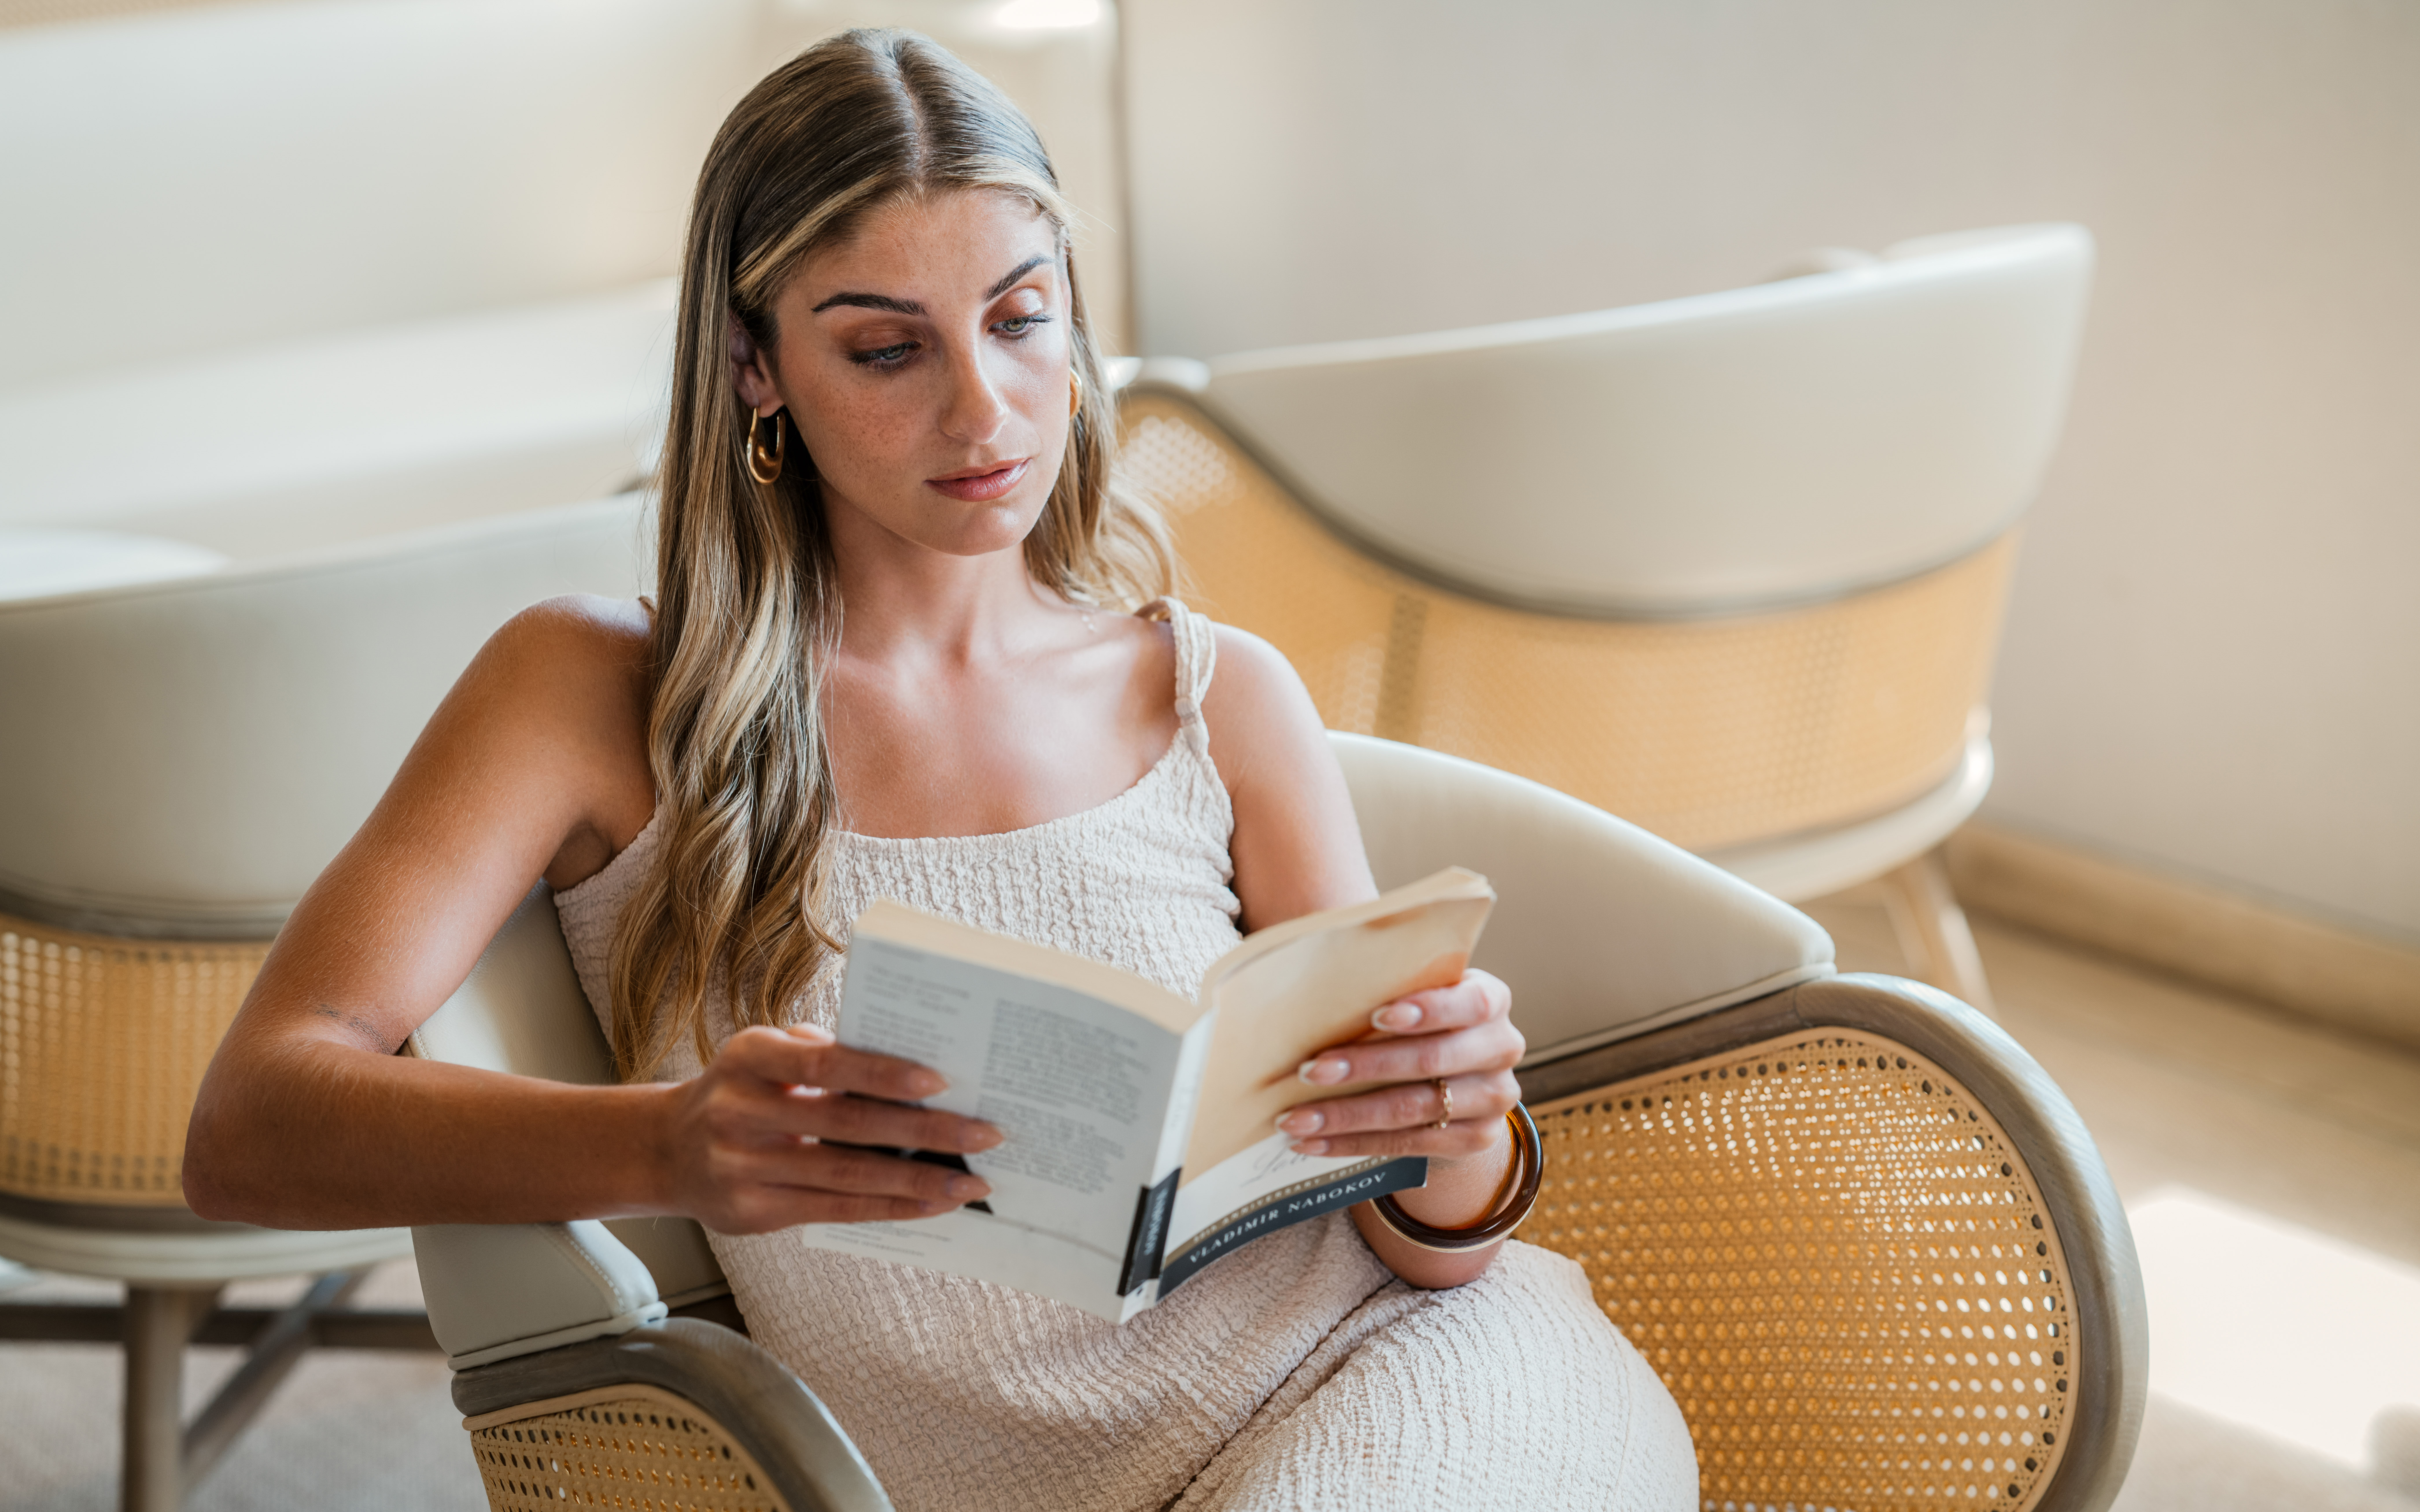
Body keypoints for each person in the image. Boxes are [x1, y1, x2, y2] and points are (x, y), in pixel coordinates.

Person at [185, 28, 1694, 1511]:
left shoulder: (1216, 699)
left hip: (1413, 1382)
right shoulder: (593, 694)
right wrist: (666, 1146)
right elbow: (249, 1129)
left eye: (1022, 320)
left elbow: (1434, 1253)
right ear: (751, 363)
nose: (982, 411)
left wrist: (1457, 1127)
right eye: (888, 348)